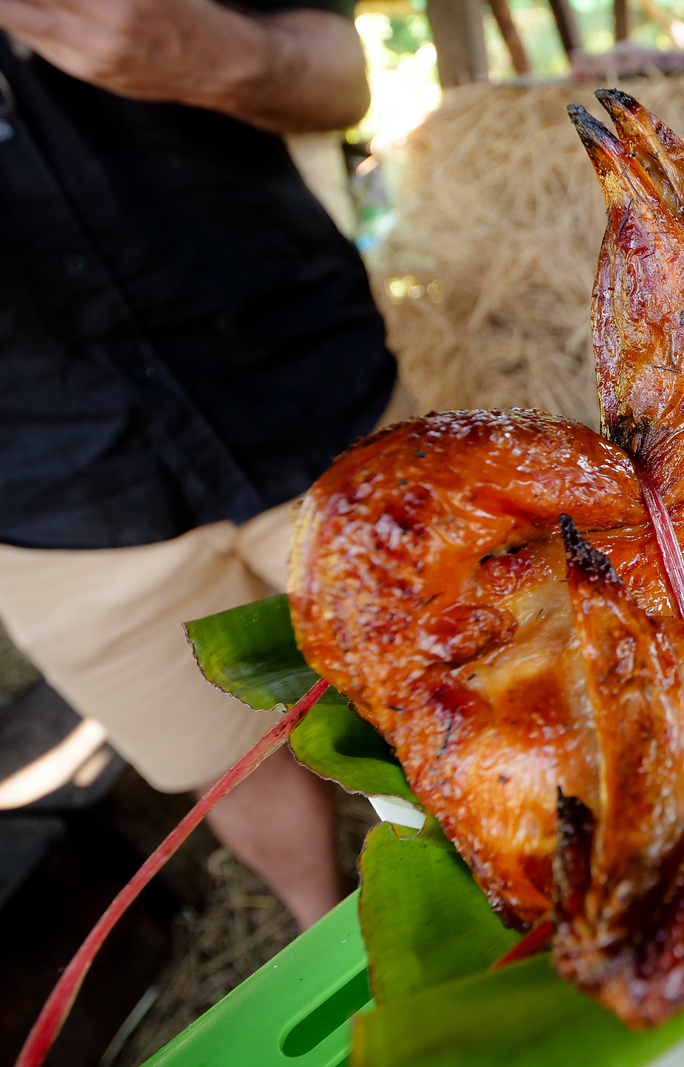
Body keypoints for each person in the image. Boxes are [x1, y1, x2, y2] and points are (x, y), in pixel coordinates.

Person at [0, 0, 403, 930]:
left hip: (315, 400)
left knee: (480, 673)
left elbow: (341, 77)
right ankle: (326, 925)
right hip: (53, 505)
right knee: (219, 755)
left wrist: (210, 53)